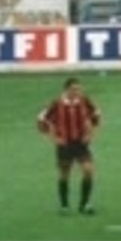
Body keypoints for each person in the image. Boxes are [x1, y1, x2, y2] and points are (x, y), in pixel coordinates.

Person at [37, 77, 101, 215]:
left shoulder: (84, 101)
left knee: (88, 170)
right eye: (74, 89)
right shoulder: (57, 103)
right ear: (66, 90)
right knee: (64, 174)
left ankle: (85, 205)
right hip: (65, 145)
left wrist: (90, 134)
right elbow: (42, 119)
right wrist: (54, 139)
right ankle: (64, 205)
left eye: (79, 88)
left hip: (81, 144)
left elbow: (96, 115)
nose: (77, 91)